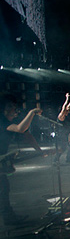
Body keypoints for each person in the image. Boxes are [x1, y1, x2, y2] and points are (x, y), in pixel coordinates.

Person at [0, 93, 42, 225]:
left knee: (4, 187)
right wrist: (32, 113)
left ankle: (8, 216)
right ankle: (8, 218)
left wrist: (39, 151)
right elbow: (20, 128)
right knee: (3, 188)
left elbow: (26, 134)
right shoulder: (1, 120)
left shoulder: (7, 121)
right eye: (12, 107)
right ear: (5, 109)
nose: (15, 110)